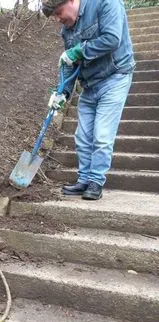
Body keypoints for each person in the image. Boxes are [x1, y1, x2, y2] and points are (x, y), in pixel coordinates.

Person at [43, 0, 135, 200]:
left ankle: (95, 181)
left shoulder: (106, 4)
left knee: (101, 136)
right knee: (82, 137)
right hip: (90, 84)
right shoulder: (67, 31)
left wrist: (78, 50)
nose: (58, 19)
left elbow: (112, 38)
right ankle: (84, 179)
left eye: (58, 13)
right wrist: (63, 93)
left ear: (71, 1)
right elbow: (69, 64)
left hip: (115, 77)